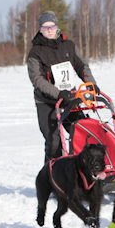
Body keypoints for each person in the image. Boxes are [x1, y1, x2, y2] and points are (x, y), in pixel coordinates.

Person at [27, 11, 100, 163]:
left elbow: (81, 66)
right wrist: (58, 93)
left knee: (83, 133)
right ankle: (52, 174)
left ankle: (86, 169)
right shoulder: (35, 52)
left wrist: (91, 84)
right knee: (54, 143)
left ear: (56, 27)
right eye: (45, 27)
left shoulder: (68, 46)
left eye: (52, 26)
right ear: (40, 29)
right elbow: (37, 80)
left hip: (69, 99)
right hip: (47, 102)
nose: (49, 30)